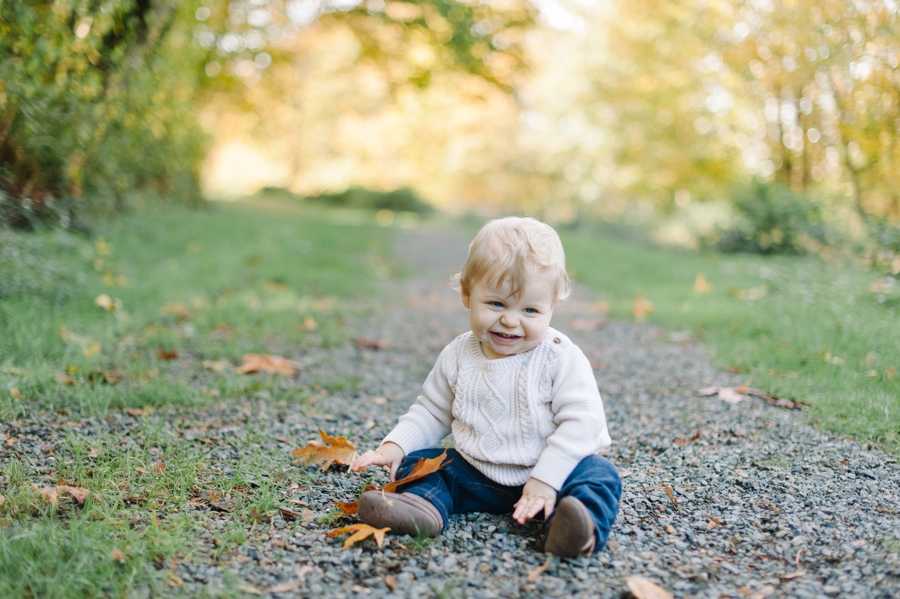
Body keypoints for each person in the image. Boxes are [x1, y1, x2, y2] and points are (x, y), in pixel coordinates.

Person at [350, 217, 621, 557]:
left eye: (530, 309)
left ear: (552, 307)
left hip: (555, 474)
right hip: (478, 472)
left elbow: (583, 423)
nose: (510, 320)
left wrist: (546, 478)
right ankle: (421, 507)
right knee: (424, 463)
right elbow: (432, 411)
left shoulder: (559, 358)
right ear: (467, 294)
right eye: (497, 304)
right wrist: (394, 446)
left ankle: (576, 529)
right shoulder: (458, 354)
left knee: (599, 475)